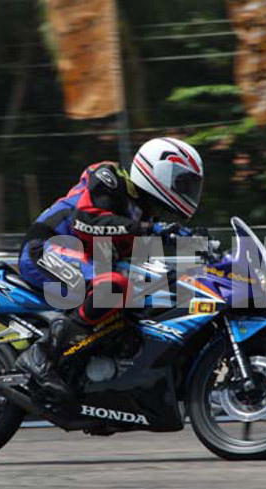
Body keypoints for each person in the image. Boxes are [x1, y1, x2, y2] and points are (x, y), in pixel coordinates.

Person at [15, 137, 204, 398]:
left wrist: (194, 246)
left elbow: (138, 259)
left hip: (88, 261)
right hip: (44, 248)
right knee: (113, 286)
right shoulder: (109, 178)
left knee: (154, 291)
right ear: (159, 171)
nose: (188, 192)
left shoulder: (146, 212)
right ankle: (40, 355)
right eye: (183, 183)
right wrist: (151, 230)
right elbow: (87, 221)